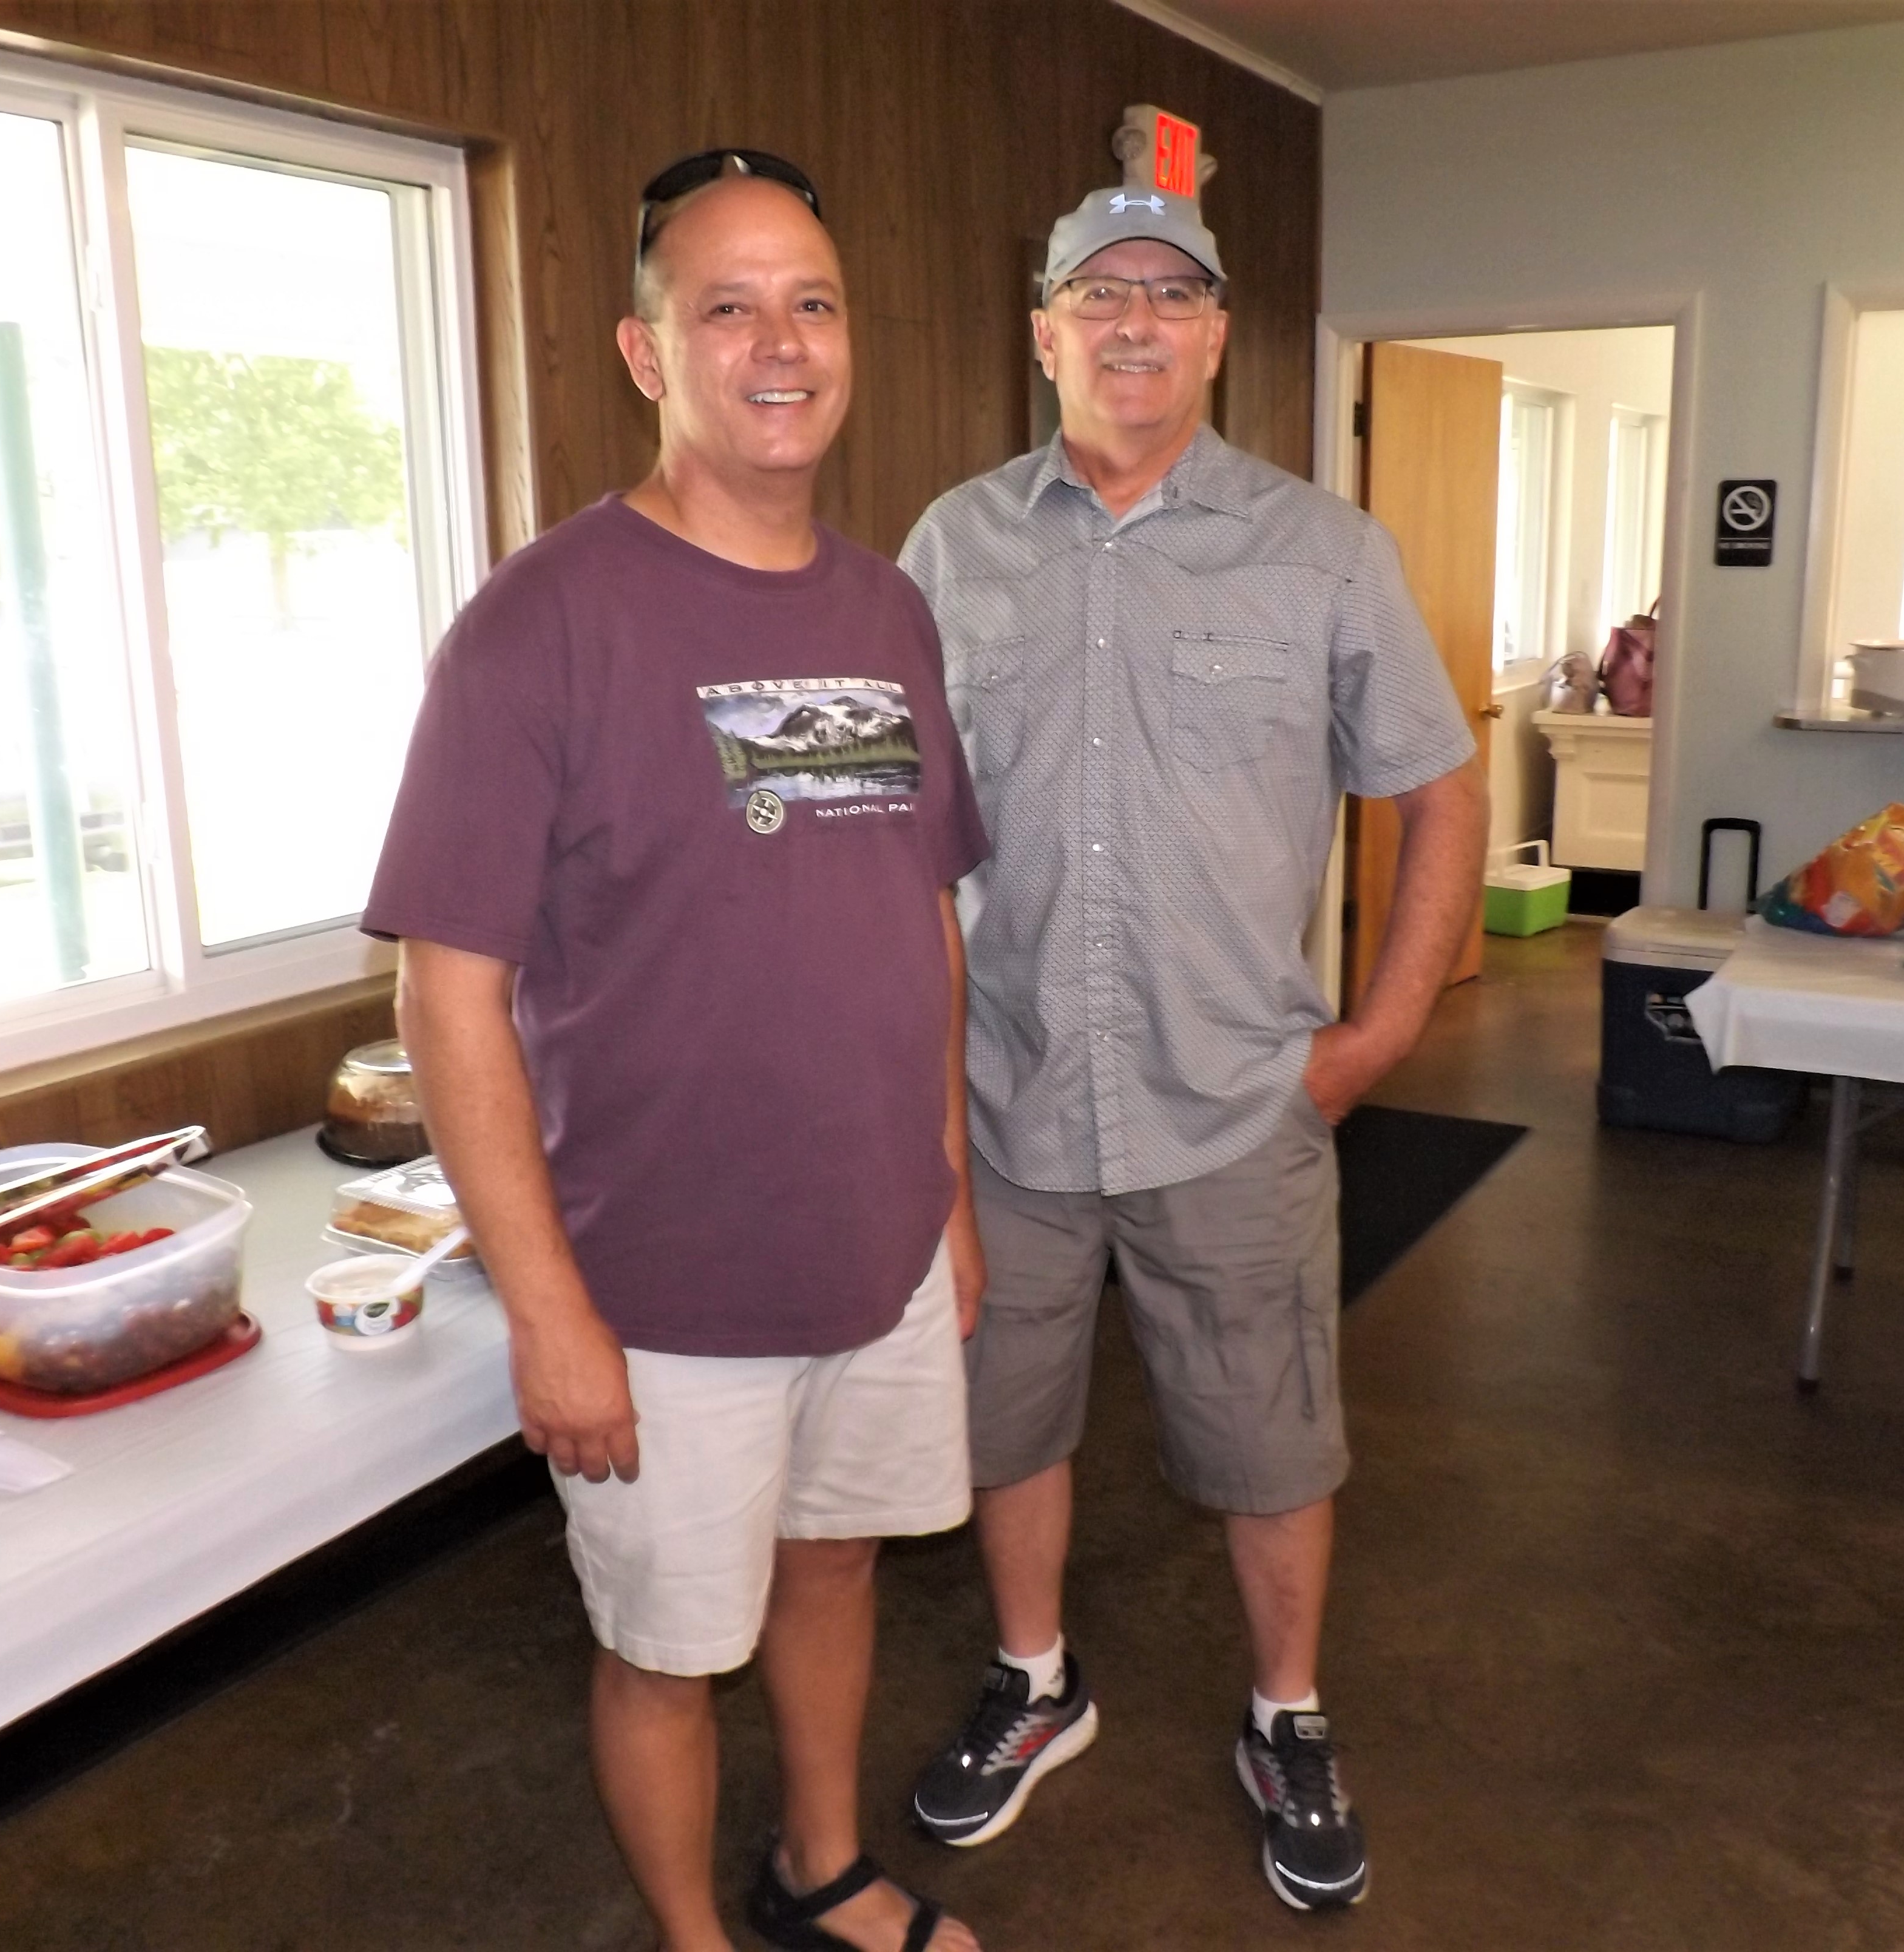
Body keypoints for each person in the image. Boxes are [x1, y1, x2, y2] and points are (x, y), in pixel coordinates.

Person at [362, 151, 986, 1952]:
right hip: (660, 1292)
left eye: (811, 302)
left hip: (874, 1247)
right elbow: (445, 995)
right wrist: (549, 1311)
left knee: (836, 1562)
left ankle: (820, 1865)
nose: (779, 342)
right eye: (727, 306)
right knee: (667, 1648)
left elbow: (918, 918)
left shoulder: (884, 611)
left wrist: (946, 1191)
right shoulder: (540, 623)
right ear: (648, 354)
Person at [897, 179, 1486, 1911]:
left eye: (1171, 291)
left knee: (1272, 1435)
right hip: (1008, 1096)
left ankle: (1287, 1711)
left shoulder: (1324, 550)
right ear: (1044, 332)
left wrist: (1375, 1035)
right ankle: (1035, 1679)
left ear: (1218, 332)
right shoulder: (950, 547)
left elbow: (1440, 796)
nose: (1135, 320)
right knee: (1009, 1414)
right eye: (1100, 292)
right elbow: (896, 836)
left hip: (1235, 1100)